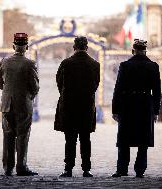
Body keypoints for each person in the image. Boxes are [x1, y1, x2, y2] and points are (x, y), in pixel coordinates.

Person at [112, 39, 161, 178]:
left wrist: (115, 110)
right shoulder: (153, 66)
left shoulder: (125, 65)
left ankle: (122, 169)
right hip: (145, 105)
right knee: (143, 140)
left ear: (133, 51)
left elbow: (118, 88)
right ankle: (140, 170)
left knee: (124, 139)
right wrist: (156, 110)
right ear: (145, 51)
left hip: (127, 105)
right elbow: (156, 91)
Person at [54, 36, 100, 177]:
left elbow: (59, 83)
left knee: (70, 139)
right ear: (87, 47)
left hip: (69, 106)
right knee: (85, 139)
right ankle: (86, 168)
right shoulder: (95, 64)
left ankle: (68, 168)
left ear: (74, 47)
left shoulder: (66, 63)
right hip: (86, 106)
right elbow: (95, 85)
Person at [0, 33, 39, 176]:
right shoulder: (30, 64)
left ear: (13, 46)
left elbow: (1, 84)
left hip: (7, 104)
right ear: (26, 47)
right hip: (23, 104)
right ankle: (21, 167)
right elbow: (35, 87)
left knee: (8, 135)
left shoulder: (4, 61)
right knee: (22, 136)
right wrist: (29, 97)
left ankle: (8, 167)